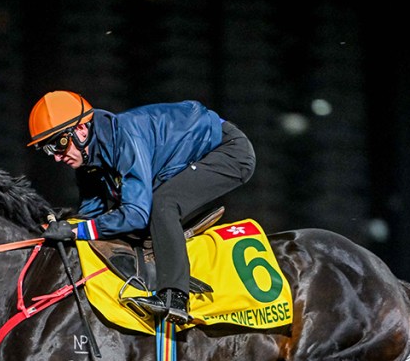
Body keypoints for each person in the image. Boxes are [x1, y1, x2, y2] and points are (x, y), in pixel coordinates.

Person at [28, 90, 256, 324]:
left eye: (58, 144)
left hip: (228, 150)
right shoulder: (87, 164)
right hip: (184, 157)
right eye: (48, 149)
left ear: (81, 130)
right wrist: (65, 227)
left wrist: (78, 231)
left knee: (162, 204)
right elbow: (90, 214)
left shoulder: (126, 137)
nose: (56, 157)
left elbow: (136, 214)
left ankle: (175, 297)